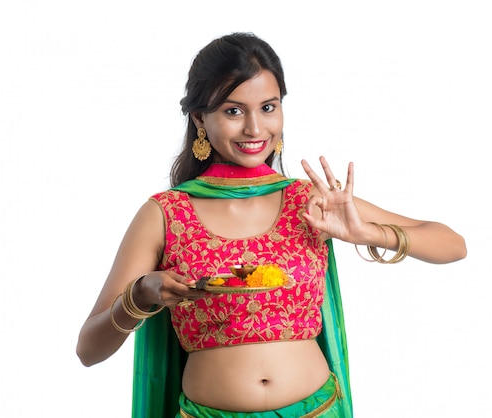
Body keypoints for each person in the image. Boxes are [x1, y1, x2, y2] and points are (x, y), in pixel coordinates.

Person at [76, 32, 467, 417]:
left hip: (317, 410)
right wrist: (141, 294)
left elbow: (452, 245)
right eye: (233, 111)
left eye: (268, 107)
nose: (254, 129)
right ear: (199, 117)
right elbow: (89, 350)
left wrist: (366, 233)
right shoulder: (166, 214)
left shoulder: (309, 200)